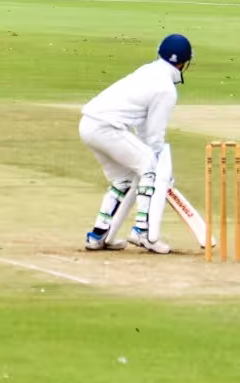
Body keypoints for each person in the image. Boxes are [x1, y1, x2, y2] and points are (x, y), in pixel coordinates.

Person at [78, 34, 193, 254]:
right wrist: (160, 171)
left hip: (88, 124)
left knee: (125, 179)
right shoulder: (166, 89)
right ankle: (143, 231)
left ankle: (98, 235)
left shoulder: (147, 70)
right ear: (184, 63)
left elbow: (142, 125)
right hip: (106, 127)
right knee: (149, 164)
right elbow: (154, 134)